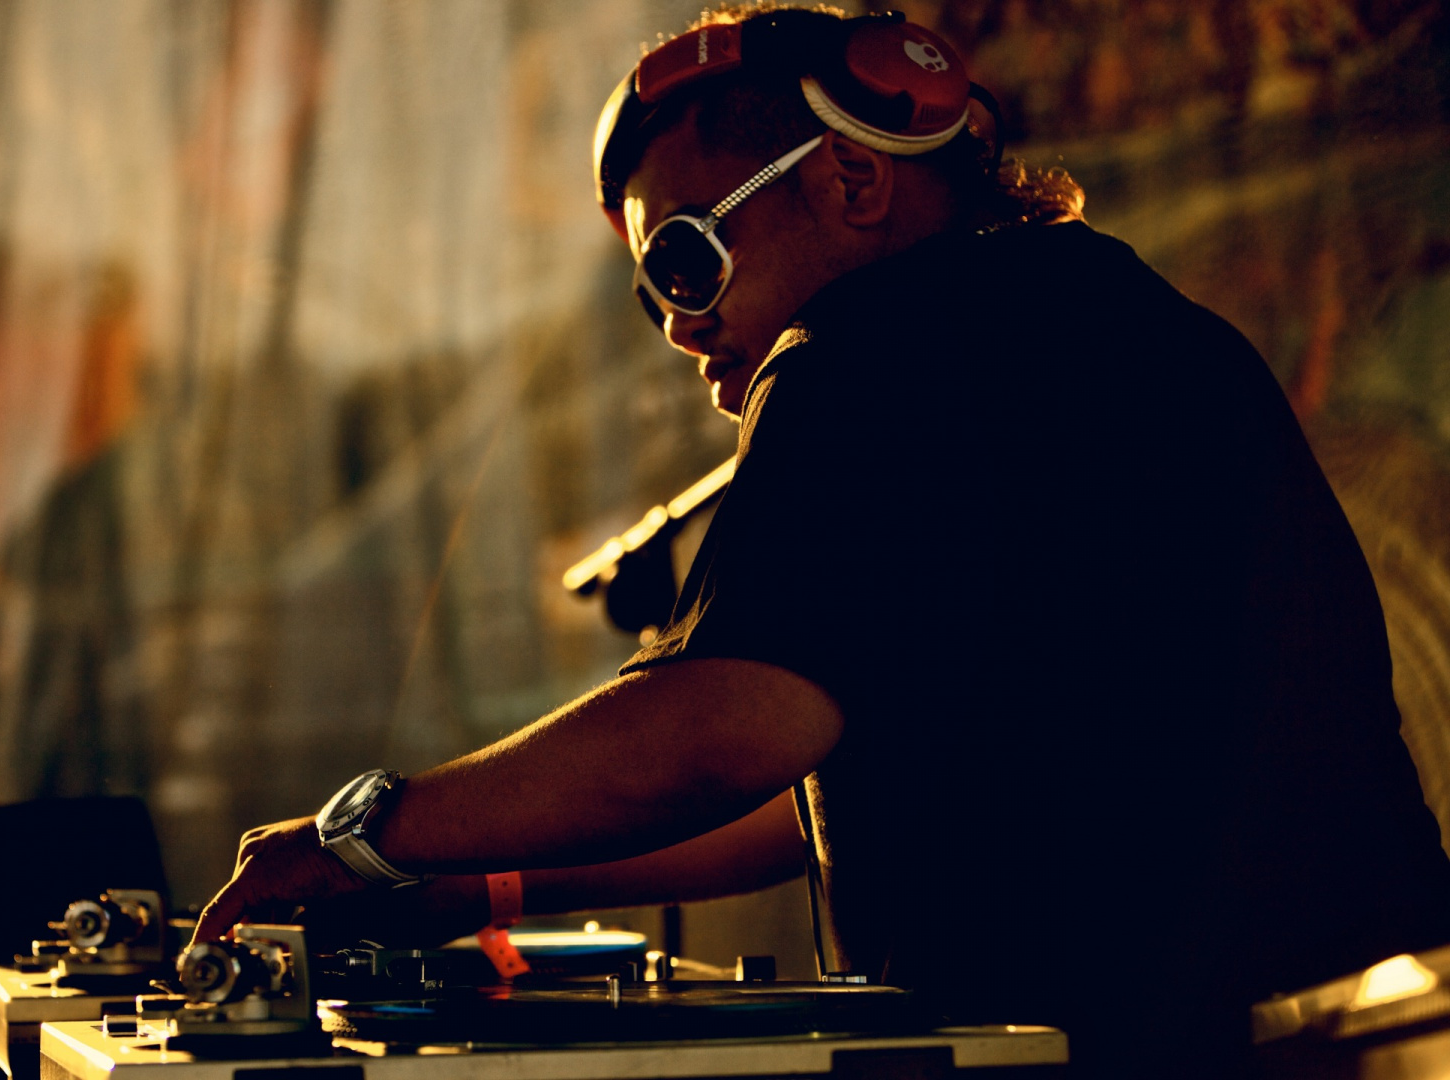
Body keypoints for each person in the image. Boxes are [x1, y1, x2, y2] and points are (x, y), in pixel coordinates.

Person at [192, 7, 1450, 1075]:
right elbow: (795, 789)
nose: (678, 326)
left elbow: (718, 733)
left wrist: (362, 833)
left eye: (685, 258)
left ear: (851, 180)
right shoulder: (1114, 326)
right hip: (1340, 1030)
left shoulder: (871, 348)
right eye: (652, 292)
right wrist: (465, 886)